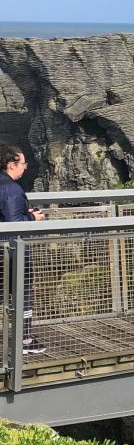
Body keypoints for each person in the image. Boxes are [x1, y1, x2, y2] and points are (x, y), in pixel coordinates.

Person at [0, 143, 46, 355]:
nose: (25, 167)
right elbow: (13, 222)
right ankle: (24, 340)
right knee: (23, 294)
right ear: (11, 165)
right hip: (12, 253)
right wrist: (32, 217)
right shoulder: (11, 188)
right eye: (23, 163)